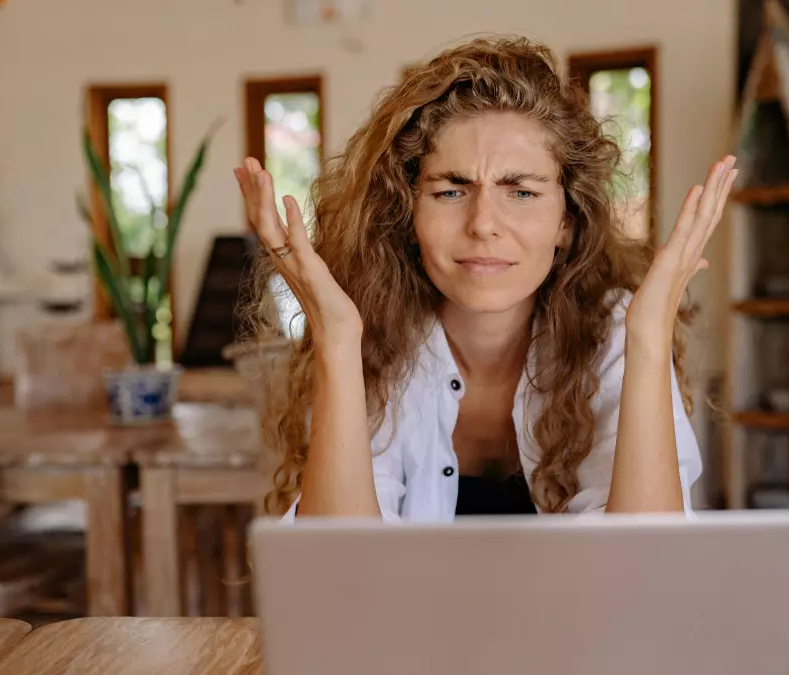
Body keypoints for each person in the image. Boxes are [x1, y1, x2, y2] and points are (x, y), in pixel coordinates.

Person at [235, 36, 736, 521]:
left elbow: (647, 572)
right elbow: (339, 575)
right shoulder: (373, 337)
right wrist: (338, 340)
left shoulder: (612, 330)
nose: (483, 224)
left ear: (566, 221)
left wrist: (648, 336)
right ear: (408, 214)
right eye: (451, 191)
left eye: (520, 192)